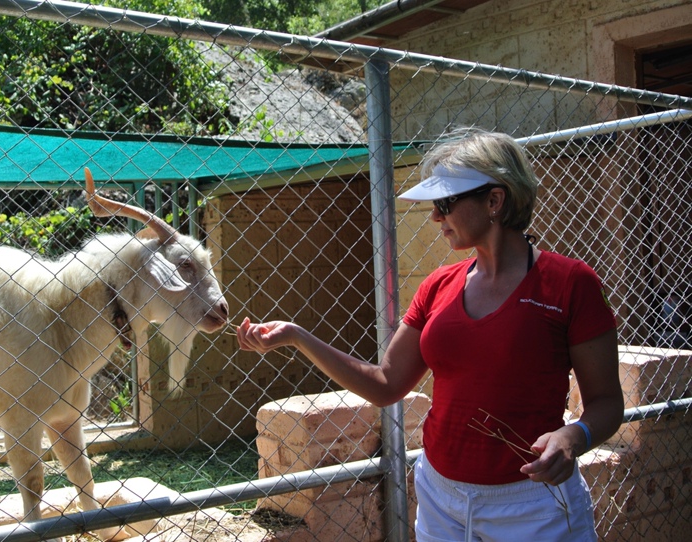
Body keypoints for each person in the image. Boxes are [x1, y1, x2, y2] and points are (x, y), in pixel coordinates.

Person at [236, 128, 624, 541]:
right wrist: (298, 336)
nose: (436, 216)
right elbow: (386, 384)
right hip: (442, 499)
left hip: (532, 506)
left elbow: (606, 402)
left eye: (445, 203)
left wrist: (573, 435)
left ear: (494, 200)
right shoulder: (438, 285)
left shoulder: (569, 283)